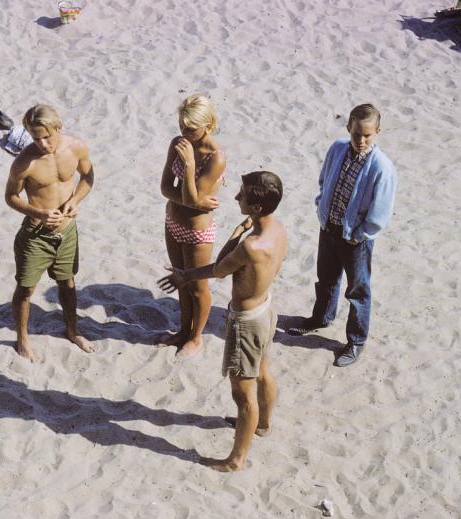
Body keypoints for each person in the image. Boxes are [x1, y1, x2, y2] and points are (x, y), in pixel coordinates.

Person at [158, 171, 288, 472]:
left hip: (246, 320)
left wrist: (185, 276)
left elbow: (218, 268)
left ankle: (235, 460)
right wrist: (245, 228)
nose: (236, 197)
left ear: (256, 208)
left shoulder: (251, 246)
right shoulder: (278, 229)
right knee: (264, 371)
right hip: (266, 309)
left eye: (242, 195)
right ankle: (264, 425)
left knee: (242, 395)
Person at [286, 104, 397, 368]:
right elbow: (325, 180)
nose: (361, 140)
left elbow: (381, 211)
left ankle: (356, 340)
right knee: (326, 279)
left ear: (377, 133)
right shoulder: (337, 148)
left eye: (367, 135)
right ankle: (321, 318)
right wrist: (320, 206)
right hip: (329, 227)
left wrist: (360, 235)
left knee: (358, 291)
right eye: (357, 133)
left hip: (356, 239)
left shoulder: (382, 167)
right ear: (349, 128)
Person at [5, 104, 95, 362]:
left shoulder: (76, 147)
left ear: (59, 127)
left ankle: (72, 330)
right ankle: (22, 337)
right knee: (26, 289)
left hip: (67, 231)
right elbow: (10, 196)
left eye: (48, 136)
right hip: (36, 235)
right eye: (36, 138)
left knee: (67, 283)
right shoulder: (24, 162)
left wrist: (76, 200)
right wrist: (38, 213)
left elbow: (88, 177)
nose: (43, 143)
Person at [157, 94, 226, 358]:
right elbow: (167, 188)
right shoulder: (178, 143)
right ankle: (184, 330)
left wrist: (187, 167)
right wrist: (193, 201)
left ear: (207, 125)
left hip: (198, 231)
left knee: (198, 286)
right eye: (181, 125)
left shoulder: (215, 157)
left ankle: (196, 337)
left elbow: (192, 196)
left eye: (190, 128)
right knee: (180, 280)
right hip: (173, 222)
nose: (184, 132)